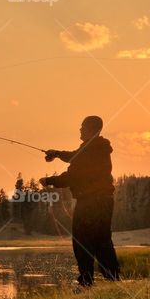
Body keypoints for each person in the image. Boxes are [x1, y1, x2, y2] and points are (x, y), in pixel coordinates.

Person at [40, 115, 120, 288]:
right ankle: (113, 279)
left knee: (82, 241)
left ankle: (86, 282)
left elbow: (73, 176)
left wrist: (49, 181)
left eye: (83, 126)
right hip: (105, 201)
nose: (80, 129)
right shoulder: (98, 148)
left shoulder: (90, 150)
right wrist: (57, 153)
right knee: (102, 239)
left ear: (91, 129)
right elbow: (75, 156)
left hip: (90, 202)